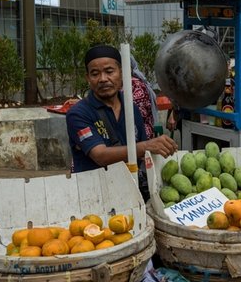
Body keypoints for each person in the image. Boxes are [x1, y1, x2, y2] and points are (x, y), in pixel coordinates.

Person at [66, 45, 178, 200]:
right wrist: (146, 146)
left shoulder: (131, 109)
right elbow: (100, 155)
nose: (103, 79)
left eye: (109, 71)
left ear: (122, 73)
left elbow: (143, 154)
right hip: (92, 196)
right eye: (95, 74)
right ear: (88, 78)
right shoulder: (79, 113)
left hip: (129, 193)